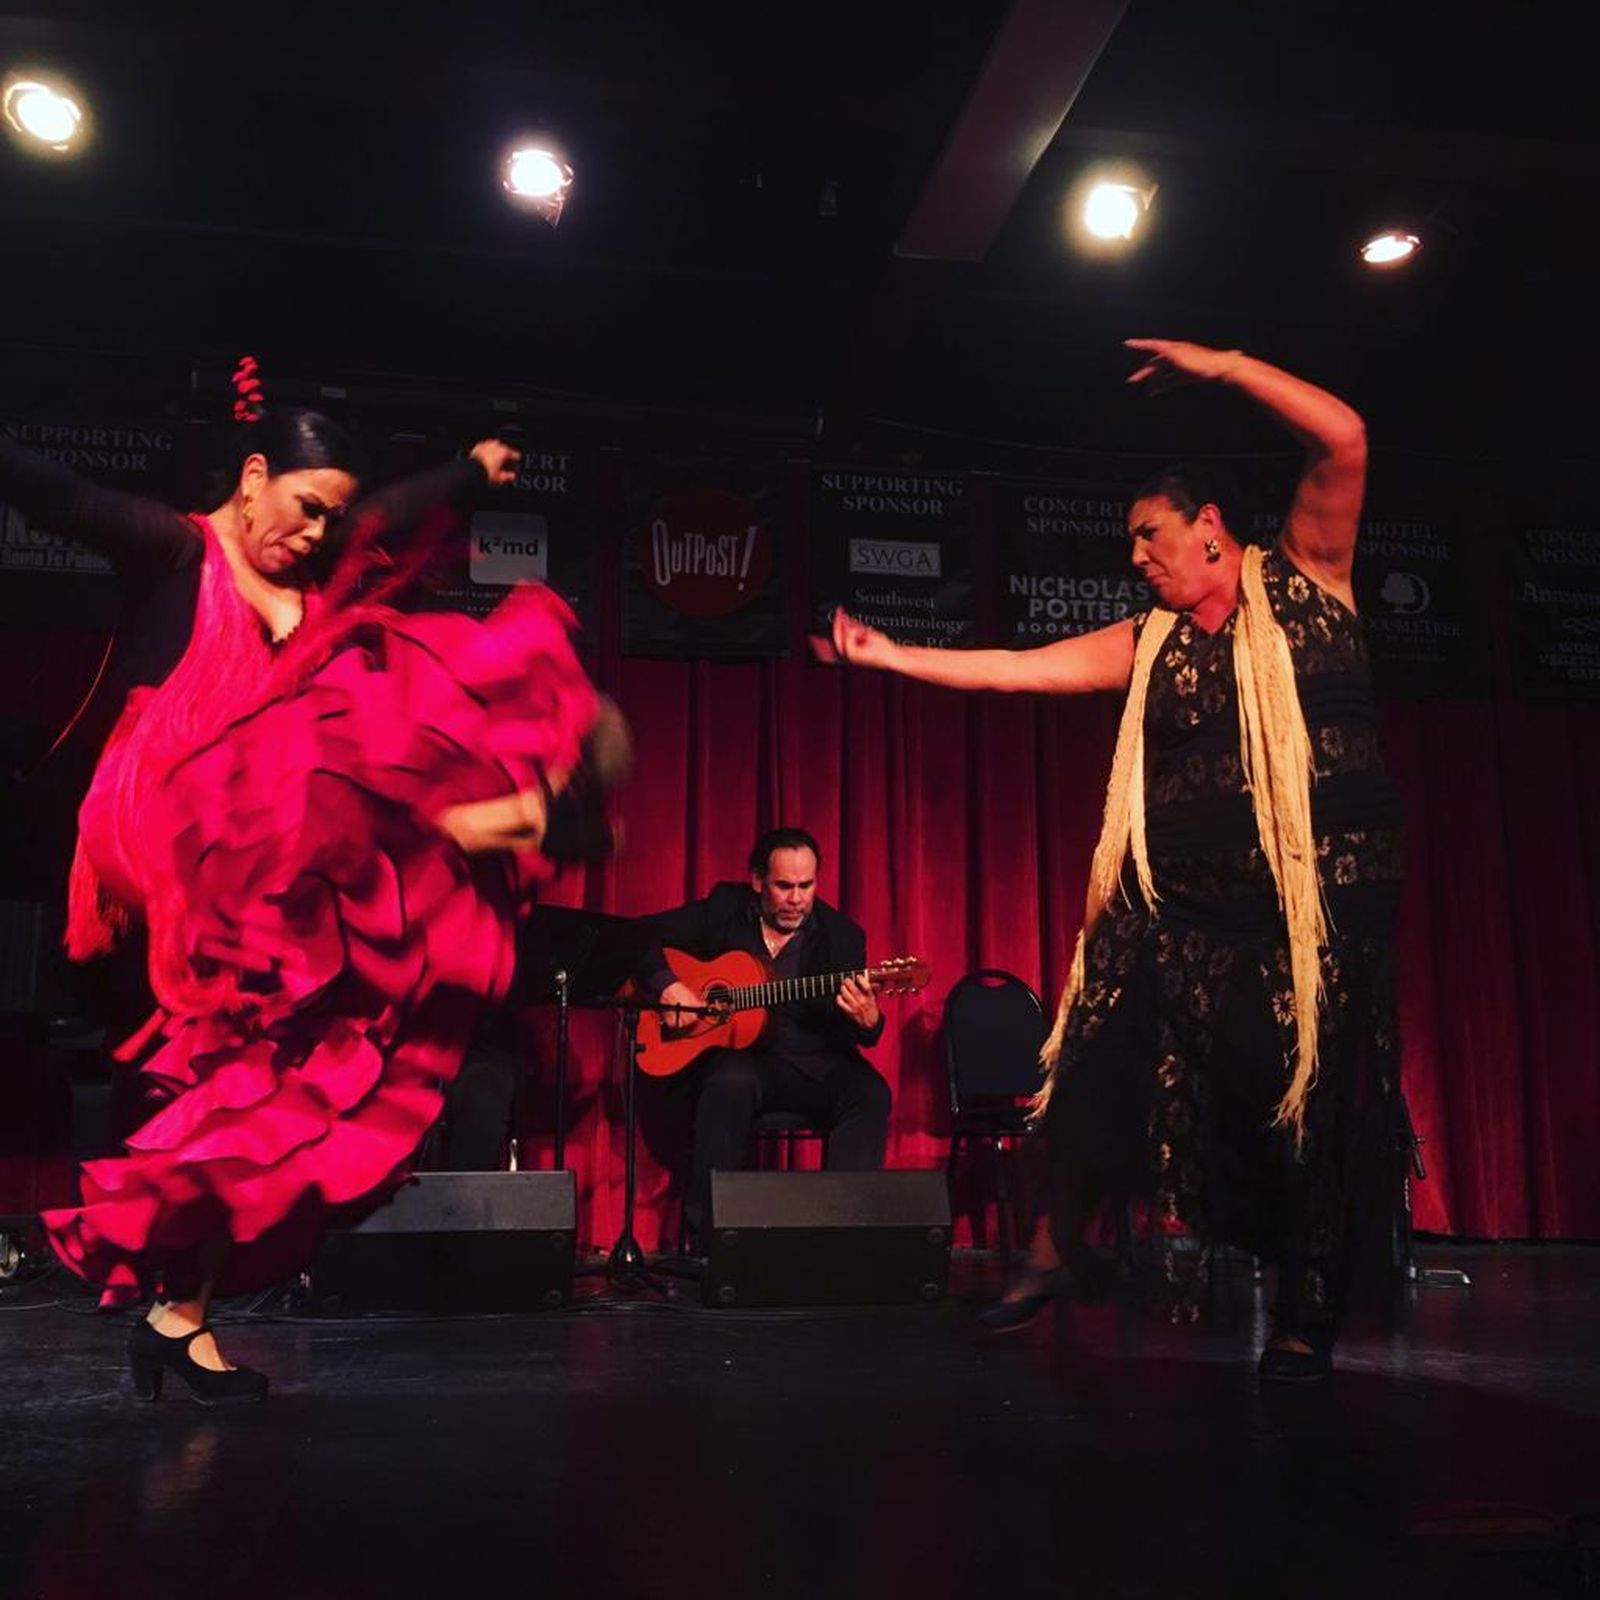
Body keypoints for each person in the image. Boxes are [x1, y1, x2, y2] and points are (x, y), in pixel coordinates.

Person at [2, 378, 613, 1400]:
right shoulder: (178, 550)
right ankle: (481, 823)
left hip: (283, 882)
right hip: (172, 855)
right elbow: (60, 496)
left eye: (332, 512)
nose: (319, 528)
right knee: (239, 1077)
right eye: (304, 504)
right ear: (252, 479)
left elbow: (381, 517)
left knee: (270, 1111)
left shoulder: (321, 578)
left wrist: (466, 471)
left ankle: (181, 1318)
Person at [830, 339, 1404, 1379]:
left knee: (1304, 1104)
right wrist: (891, 654)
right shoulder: (1149, 641)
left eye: (1151, 537)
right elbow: (1017, 669)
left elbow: (1344, 435)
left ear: (1212, 531)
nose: (1137, 559)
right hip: (1182, 911)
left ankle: (1310, 1311)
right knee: (1096, 1045)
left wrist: (1224, 366)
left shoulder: (1313, 578)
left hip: (1314, 913)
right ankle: (1053, 1251)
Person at [640, 827, 891, 1246]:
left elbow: (855, 1027)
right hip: (744, 1060)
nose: (797, 899)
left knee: (871, 1094)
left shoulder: (843, 936)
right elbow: (638, 936)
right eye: (784, 886)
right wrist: (667, 984)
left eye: (806, 886)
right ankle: (709, 1243)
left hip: (814, 1063)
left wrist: (869, 1020)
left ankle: (841, 1239)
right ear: (758, 881)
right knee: (728, 1084)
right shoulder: (724, 909)